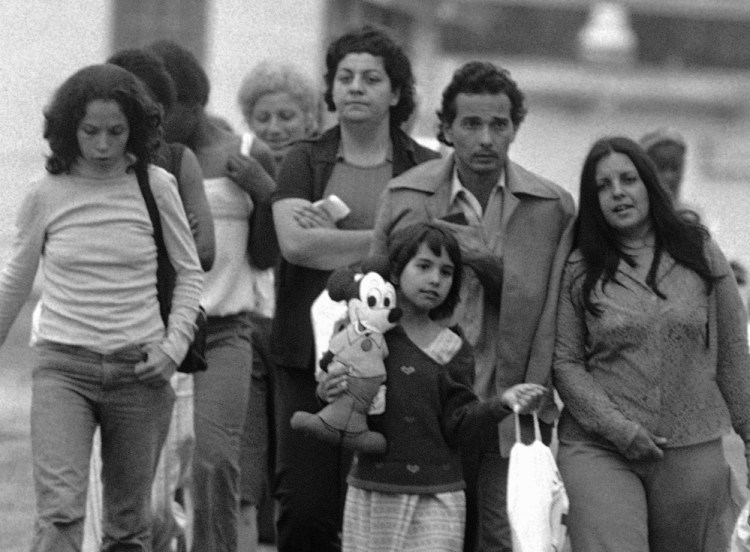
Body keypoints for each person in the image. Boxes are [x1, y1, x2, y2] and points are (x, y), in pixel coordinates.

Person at [370, 60, 575, 552]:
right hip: (422, 405)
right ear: (446, 129)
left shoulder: (552, 207)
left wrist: (485, 260)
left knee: (506, 538)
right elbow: (375, 300)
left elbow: (558, 311)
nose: (486, 139)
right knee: (427, 539)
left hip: (513, 406)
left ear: (515, 130)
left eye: (498, 125)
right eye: (472, 124)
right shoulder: (406, 196)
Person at [0, 63, 203, 551]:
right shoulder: (44, 193)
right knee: (61, 513)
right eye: (91, 131)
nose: (105, 144)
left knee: (128, 524)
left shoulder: (156, 186)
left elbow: (190, 274)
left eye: (117, 131)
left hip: (141, 371)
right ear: (70, 129)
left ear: (136, 130)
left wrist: (173, 347)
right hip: (63, 368)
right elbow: (14, 281)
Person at [271, 25, 439, 552]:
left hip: (398, 359)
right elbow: (296, 246)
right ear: (331, 88)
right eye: (345, 78)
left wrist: (337, 239)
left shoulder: (424, 167)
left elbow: (432, 254)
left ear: (396, 92)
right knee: (306, 509)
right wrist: (389, 242)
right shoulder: (305, 160)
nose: (356, 87)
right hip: (309, 357)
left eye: (371, 78)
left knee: (384, 507)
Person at [553, 136, 750, 551]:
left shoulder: (698, 251)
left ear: (650, 186)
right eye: (603, 186)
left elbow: (733, 352)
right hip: (600, 447)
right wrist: (618, 428)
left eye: (628, 179)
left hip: (692, 448)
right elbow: (565, 362)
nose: (617, 192)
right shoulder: (578, 266)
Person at [318, 222, 546, 552]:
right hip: (371, 487)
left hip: (438, 496)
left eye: (447, 272)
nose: (435, 279)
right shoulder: (362, 334)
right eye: (423, 266)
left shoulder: (452, 348)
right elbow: (342, 406)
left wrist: (502, 403)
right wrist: (327, 392)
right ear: (395, 272)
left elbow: (459, 425)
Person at [80, 48, 216, 552]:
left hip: (166, 345)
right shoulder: (77, 173)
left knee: (159, 502)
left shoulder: (175, 165)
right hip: (96, 347)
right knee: (107, 502)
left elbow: (202, 253)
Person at [147, 40, 278, 552]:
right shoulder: (151, 159)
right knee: (157, 469)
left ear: (194, 105)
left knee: (215, 459)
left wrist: (265, 194)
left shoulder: (244, 154)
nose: (155, 122)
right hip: (161, 330)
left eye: (164, 111)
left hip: (225, 330)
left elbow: (265, 258)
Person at [235, 60, 321, 550]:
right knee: (248, 461)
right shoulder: (240, 165)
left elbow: (303, 236)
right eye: (263, 117)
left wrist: (266, 191)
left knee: (293, 461)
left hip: (305, 336)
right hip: (250, 326)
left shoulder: (318, 166)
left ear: (310, 118)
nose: (275, 127)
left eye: (287, 116)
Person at [237, 60, 320, 171]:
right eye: (263, 119)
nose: (274, 129)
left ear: (308, 119)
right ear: (249, 122)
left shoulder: (327, 173)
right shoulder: (236, 173)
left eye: (286, 117)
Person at [639, 126, 701, 221]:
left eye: (675, 168)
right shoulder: (632, 216)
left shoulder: (690, 218)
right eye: (661, 168)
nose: (669, 177)